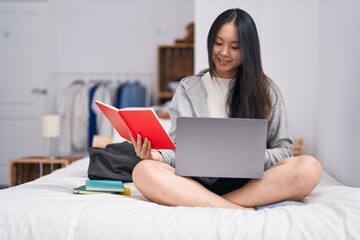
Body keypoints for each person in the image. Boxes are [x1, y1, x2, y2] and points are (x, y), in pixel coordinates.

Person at [129, 8, 323, 210]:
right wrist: (158, 156)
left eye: (235, 47)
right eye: (218, 43)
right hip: (194, 183)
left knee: (310, 167)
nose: (223, 53)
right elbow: (179, 151)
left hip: (251, 184)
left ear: (248, 49)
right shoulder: (188, 88)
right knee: (143, 170)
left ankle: (220, 203)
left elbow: (284, 150)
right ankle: (234, 207)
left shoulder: (266, 90)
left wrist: (253, 156)